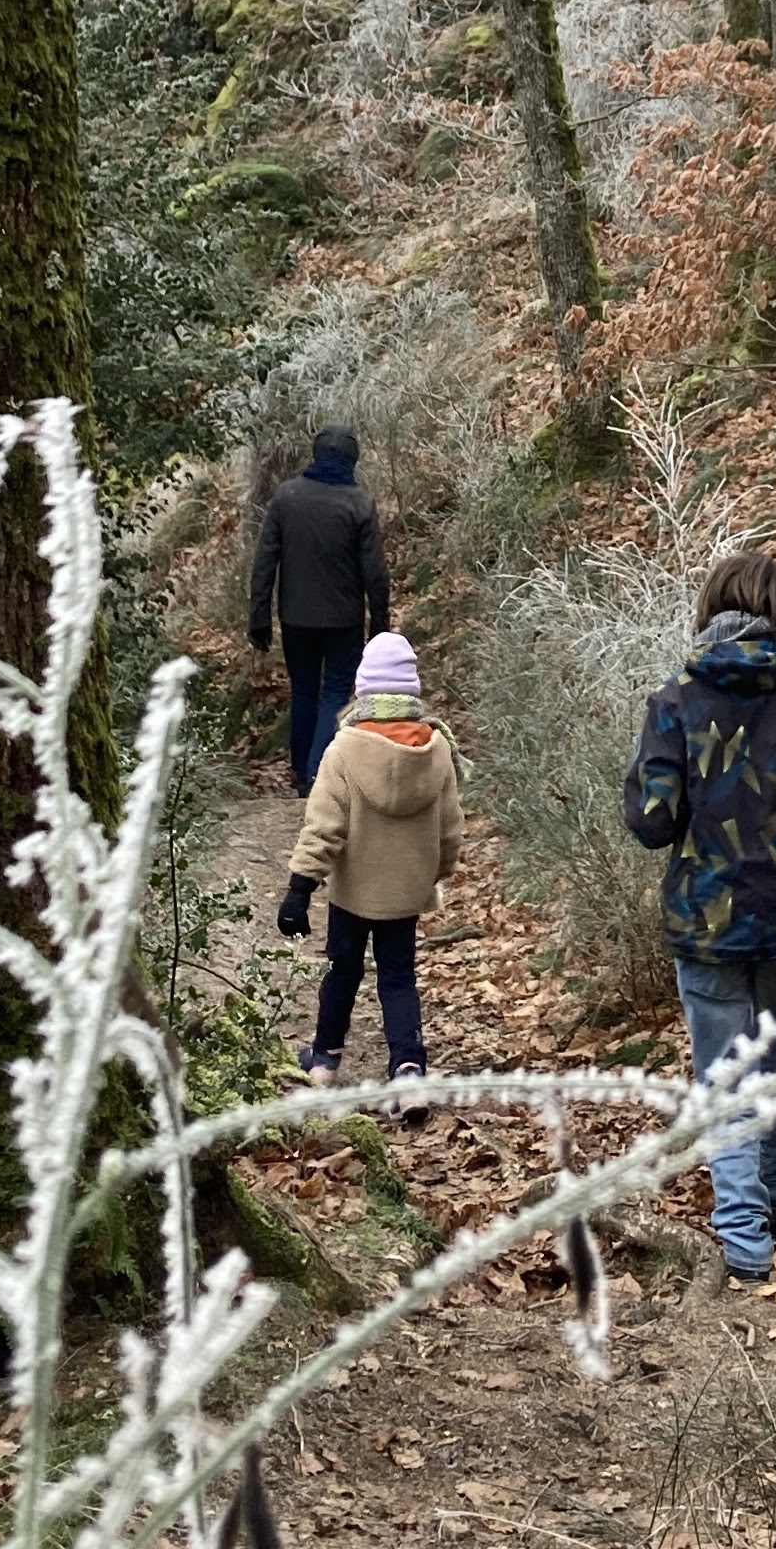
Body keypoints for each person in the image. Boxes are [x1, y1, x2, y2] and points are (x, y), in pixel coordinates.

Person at [622, 545, 776, 1288]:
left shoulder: (677, 700)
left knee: (724, 1077)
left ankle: (744, 1242)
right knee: (774, 1052)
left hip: (705, 922)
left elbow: (652, 822)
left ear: (713, 609)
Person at [275, 631, 464, 1111]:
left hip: (353, 893)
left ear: (363, 691)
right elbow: (450, 828)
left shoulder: (343, 750)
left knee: (341, 971)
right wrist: (436, 873)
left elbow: (323, 827)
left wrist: (300, 888)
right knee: (398, 979)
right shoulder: (437, 750)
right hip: (404, 894)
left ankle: (324, 1061)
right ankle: (409, 1071)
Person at [248, 423, 390, 791]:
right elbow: (374, 572)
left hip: (295, 617)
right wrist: (380, 622)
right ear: (352, 459)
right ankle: (317, 774)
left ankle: (301, 772)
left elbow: (265, 561)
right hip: (344, 621)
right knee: (335, 695)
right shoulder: (360, 505)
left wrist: (259, 614)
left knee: (304, 692)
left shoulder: (287, 497)